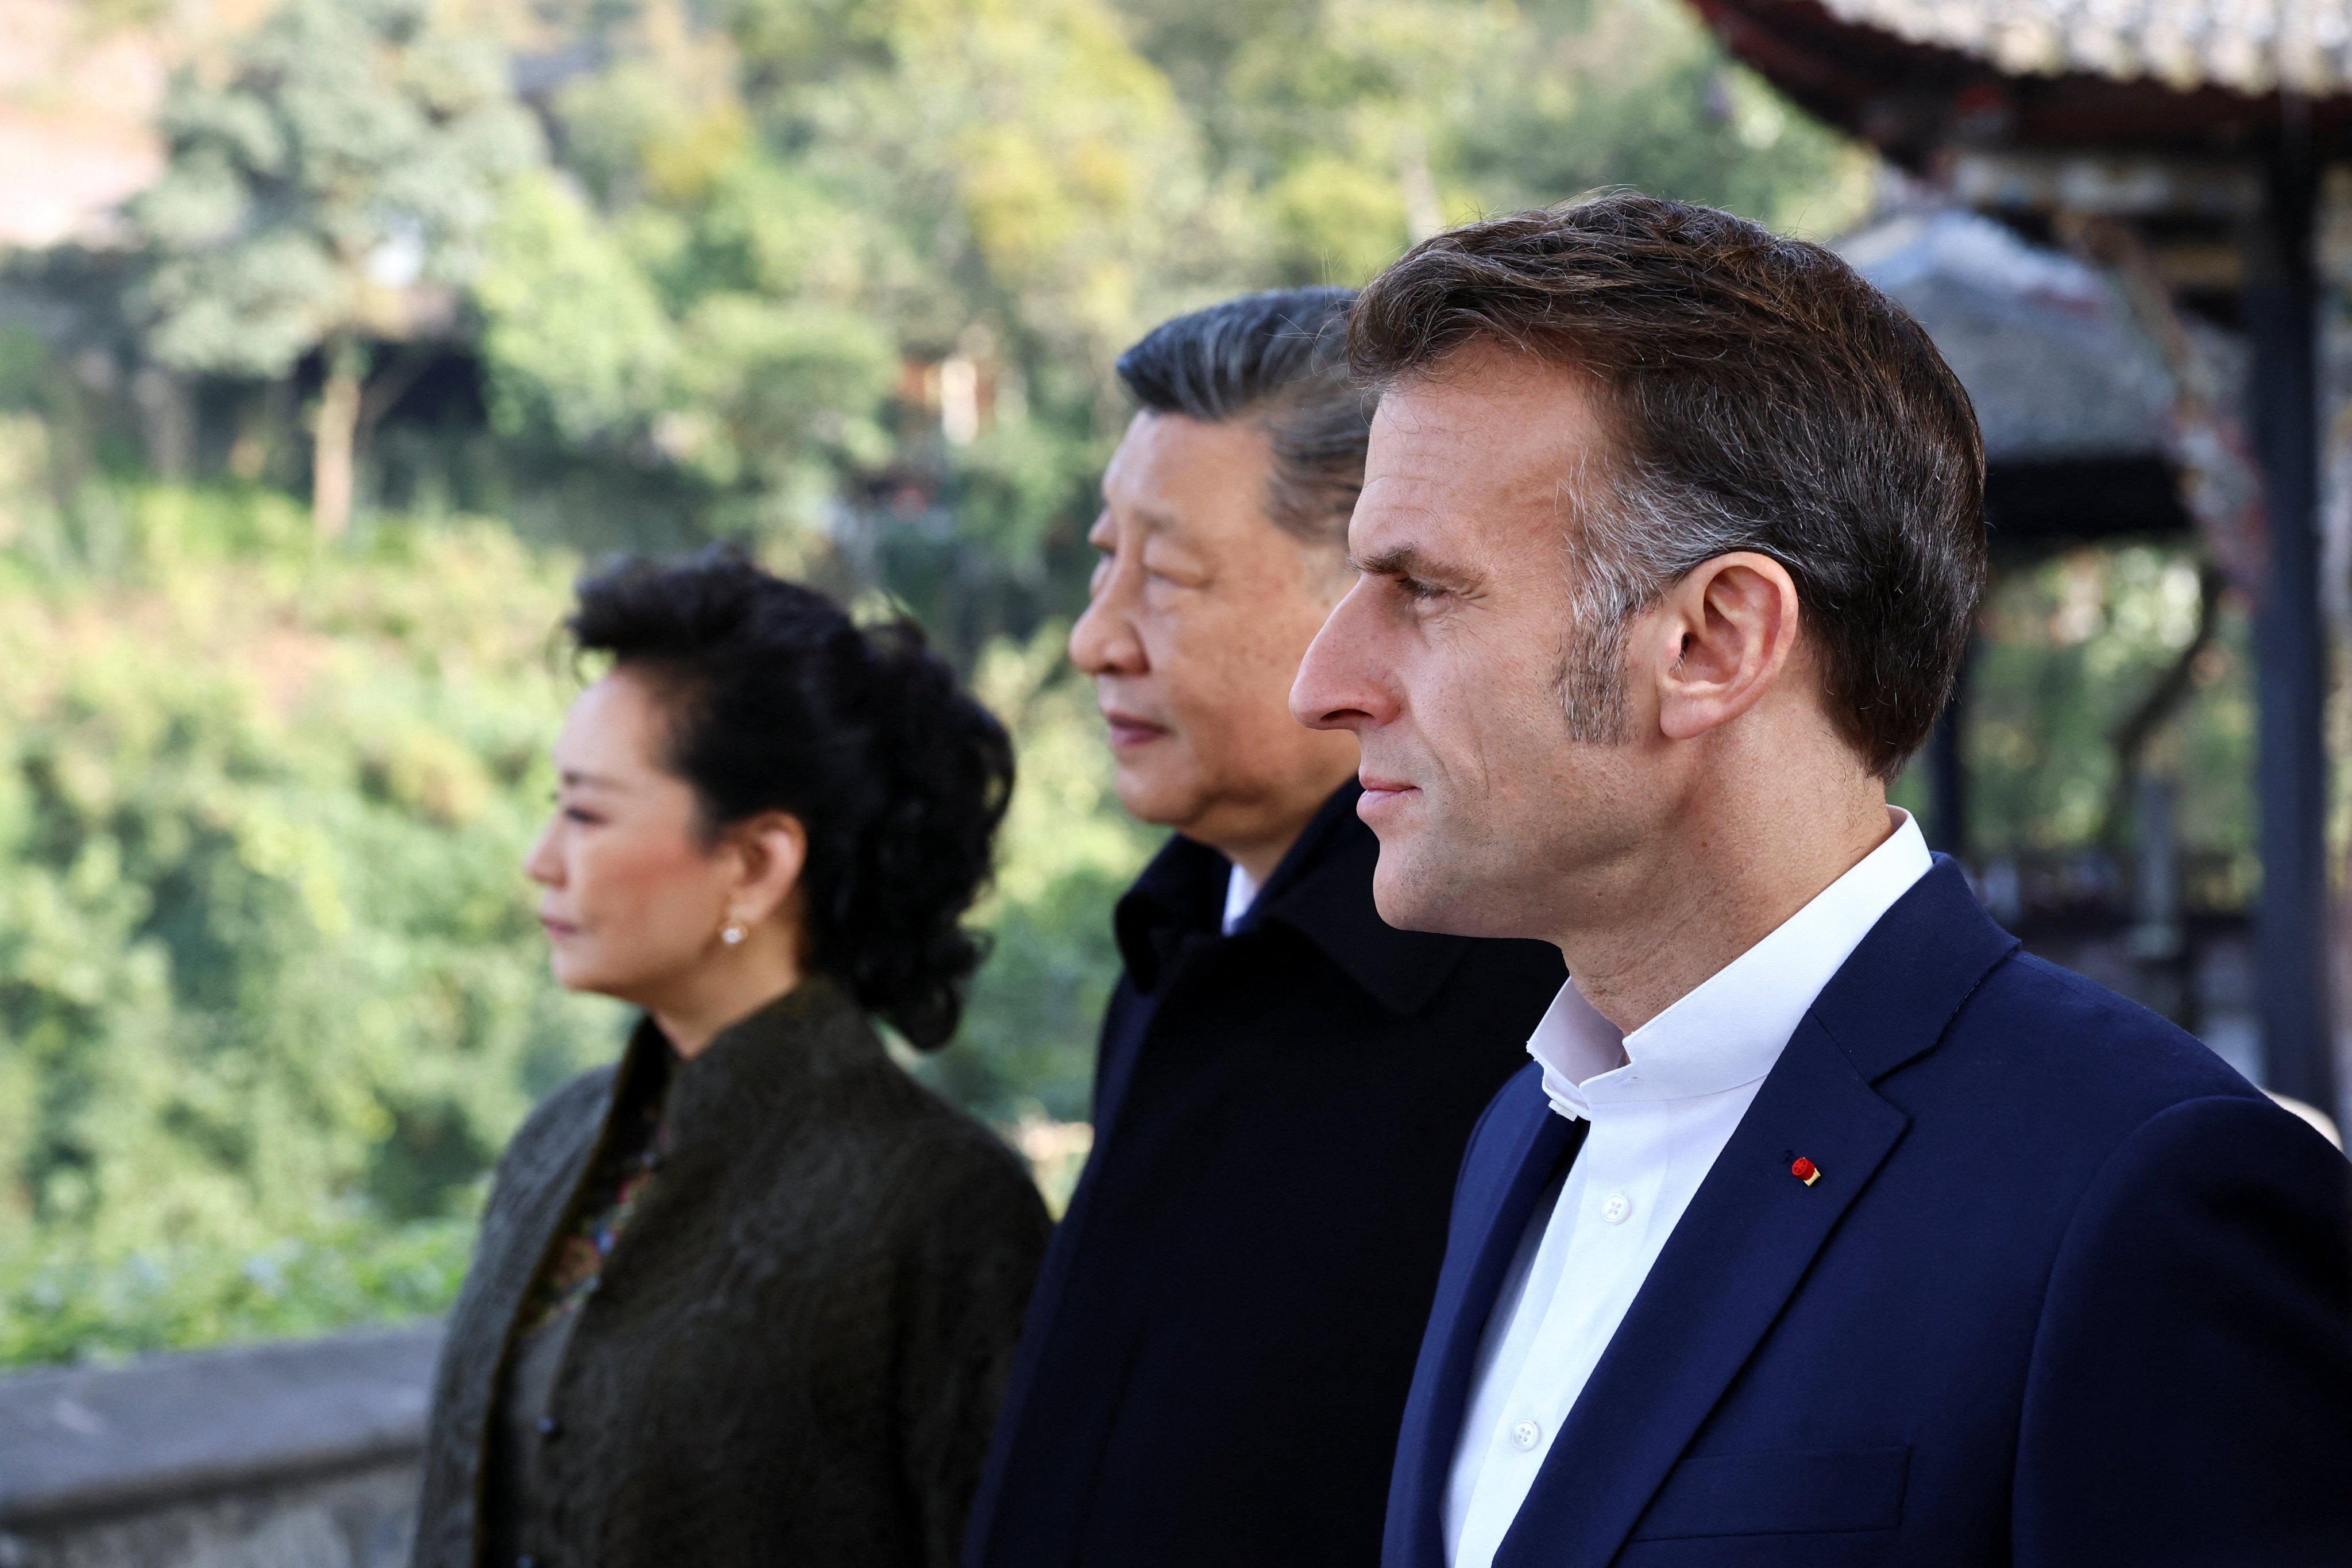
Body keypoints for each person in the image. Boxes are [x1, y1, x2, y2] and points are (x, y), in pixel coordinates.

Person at [1290, 193, 2352, 1568]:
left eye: (1421, 589)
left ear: (1713, 639)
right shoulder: (1520, 1136)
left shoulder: (2138, 1187)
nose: (1326, 682)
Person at [963, 289, 1565, 1568]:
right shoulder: (1174, 943)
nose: (1093, 642)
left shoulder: (1525, 1008)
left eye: (1166, 578)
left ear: (1370, 597)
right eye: (1100, 562)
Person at [412, 551, 1051, 1568]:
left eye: (585, 812)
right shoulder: (562, 1142)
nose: (542, 858)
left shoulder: (942, 1208)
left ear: (756, 864)